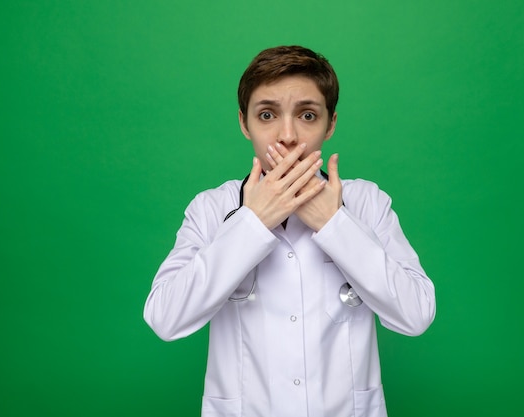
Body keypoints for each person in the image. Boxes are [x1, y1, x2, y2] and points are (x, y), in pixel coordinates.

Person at [144, 45, 436, 417]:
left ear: (330, 124)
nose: (287, 135)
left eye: (307, 115)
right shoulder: (212, 208)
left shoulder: (366, 203)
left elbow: (416, 315)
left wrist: (336, 225)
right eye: (267, 114)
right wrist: (252, 223)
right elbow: (164, 319)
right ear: (243, 122)